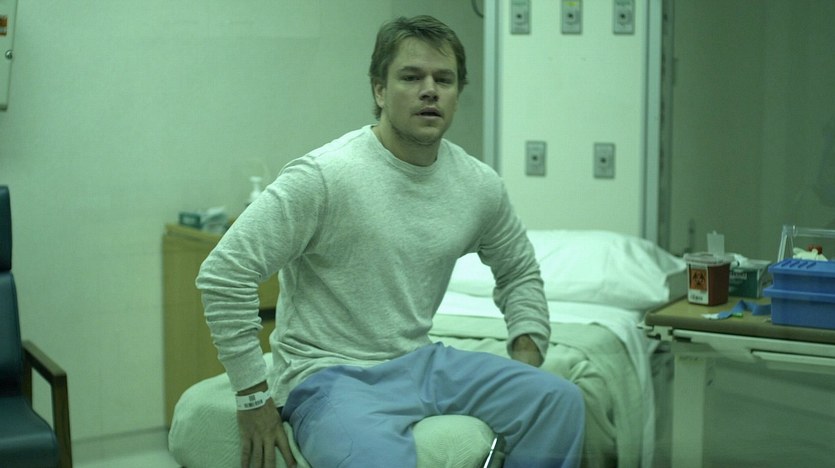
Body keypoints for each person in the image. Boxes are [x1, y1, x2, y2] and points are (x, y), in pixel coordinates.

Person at [197, 15, 585, 468]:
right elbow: (224, 274)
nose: (429, 90)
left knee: (558, 401)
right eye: (411, 77)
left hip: (421, 362)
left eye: (444, 80)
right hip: (329, 374)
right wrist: (252, 399)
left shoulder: (478, 185)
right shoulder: (325, 176)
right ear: (379, 90)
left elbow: (518, 271)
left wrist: (526, 351)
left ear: (457, 93)